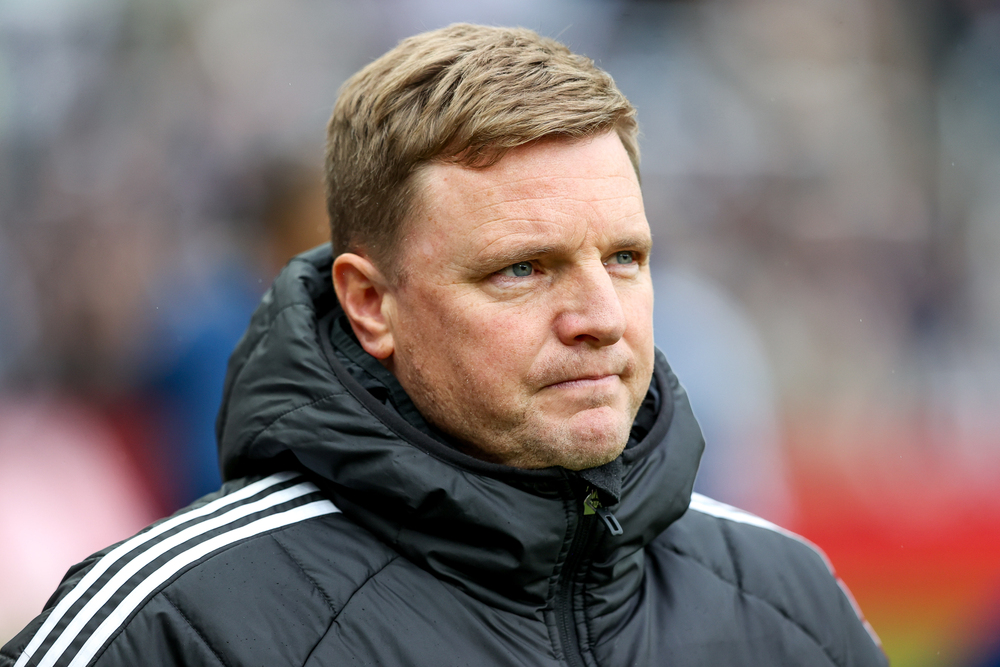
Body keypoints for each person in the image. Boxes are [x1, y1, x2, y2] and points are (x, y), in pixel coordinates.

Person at [2, 24, 886, 667]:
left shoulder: (788, 600)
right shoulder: (176, 626)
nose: (600, 316)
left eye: (624, 257)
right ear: (370, 303)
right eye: (522, 269)